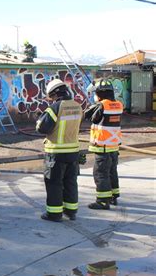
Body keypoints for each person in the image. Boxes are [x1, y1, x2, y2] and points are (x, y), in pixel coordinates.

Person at [36, 79, 82, 222]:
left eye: (51, 96)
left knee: (54, 183)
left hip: (56, 153)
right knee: (70, 182)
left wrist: (39, 118)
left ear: (54, 93)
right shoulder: (77, 106)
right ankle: (71, 211)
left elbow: (42, 128)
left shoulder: (55, 107)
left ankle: (54, 214)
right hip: (73, 152)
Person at [84, 80, 123, 210]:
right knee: (112, 171)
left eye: (96, 93)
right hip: (114, 146)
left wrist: (95, 104)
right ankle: (114, 196)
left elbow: (88, 115)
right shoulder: (118, 105)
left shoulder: (101, 106)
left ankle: (102, 201)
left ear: (100, 94)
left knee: (100, 173)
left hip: (103, 147)